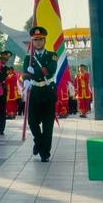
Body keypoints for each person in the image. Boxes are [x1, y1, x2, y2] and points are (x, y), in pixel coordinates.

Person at [22, 26, 58, 162]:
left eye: (40, 39)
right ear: (32, 41)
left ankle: (45, 153)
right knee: (32, 122)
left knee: (48, 124)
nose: (38, 42)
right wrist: (26, 80)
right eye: (35, 40)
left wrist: (34, 72)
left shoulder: (51, 55)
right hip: (34, 92)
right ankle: (38, 141)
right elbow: (25, 73)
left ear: (44, 40)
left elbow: (50, 71)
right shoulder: (28, 58)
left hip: (48, 92)